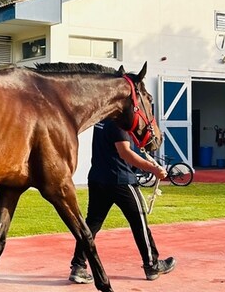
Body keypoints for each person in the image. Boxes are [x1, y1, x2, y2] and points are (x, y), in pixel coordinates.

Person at [69, 118, 176, 283]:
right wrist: (153, 169)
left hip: (98, 179)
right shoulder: (119, 122)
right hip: (121, 180)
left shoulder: (102, 120)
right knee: (139, 223)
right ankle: (152, 265)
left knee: (92, 224)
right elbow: (124, 152)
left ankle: (78, 266)